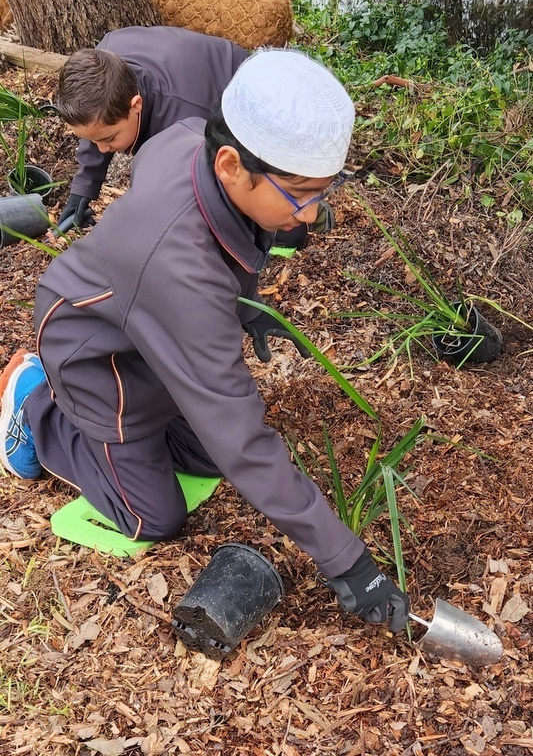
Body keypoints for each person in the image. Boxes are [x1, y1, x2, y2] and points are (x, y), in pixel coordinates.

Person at [0, 50, 409, 633]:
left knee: (204, 457)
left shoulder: (188, 133)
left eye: (324, 190)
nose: (312, 213)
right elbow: (243, 439)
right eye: (300, 195)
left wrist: (248, 306)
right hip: (94, 357)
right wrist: (347, 562)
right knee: (155, 516)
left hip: (145, 328)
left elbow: (201, 218)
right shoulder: (178, 272)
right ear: (230, 165)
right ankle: (34, 406)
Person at [54, 25, 248, 232]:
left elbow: (188, 186)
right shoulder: (102, 67)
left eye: (110, 139)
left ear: (136, 104)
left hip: (243, 90)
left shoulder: (186, 121)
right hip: (184, 68)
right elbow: (98, 126)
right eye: (95, 141)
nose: (101, 148)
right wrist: (83, 188)